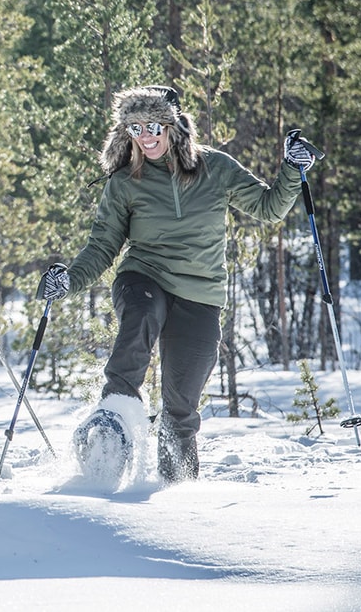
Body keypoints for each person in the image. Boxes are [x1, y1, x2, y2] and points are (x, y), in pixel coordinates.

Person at [39, 85, 318, 483]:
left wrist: (293, 168)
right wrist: (67, 280)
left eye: (152, 125)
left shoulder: (215, 168)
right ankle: (113, 417)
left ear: (173, 126)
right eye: (134, 129)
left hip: (200, 294)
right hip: (144, 276)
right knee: (140, 315)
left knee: (181, 408)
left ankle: (177, 495)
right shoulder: (125, 181)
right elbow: (102, 246)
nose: (146, 136)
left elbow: (269, 207)